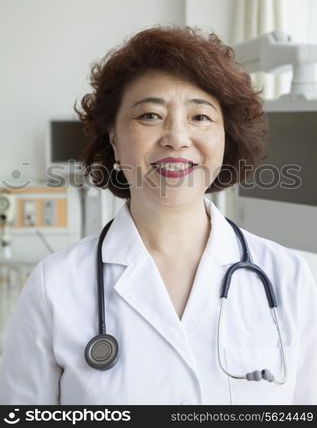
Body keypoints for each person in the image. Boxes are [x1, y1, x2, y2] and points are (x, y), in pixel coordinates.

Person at [0, 26, 316, 405]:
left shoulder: (288, 277)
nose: (176, 137)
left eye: (200, 117)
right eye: (150, 115)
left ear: (225, 140)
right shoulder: (55, 285)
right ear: (114, 139)